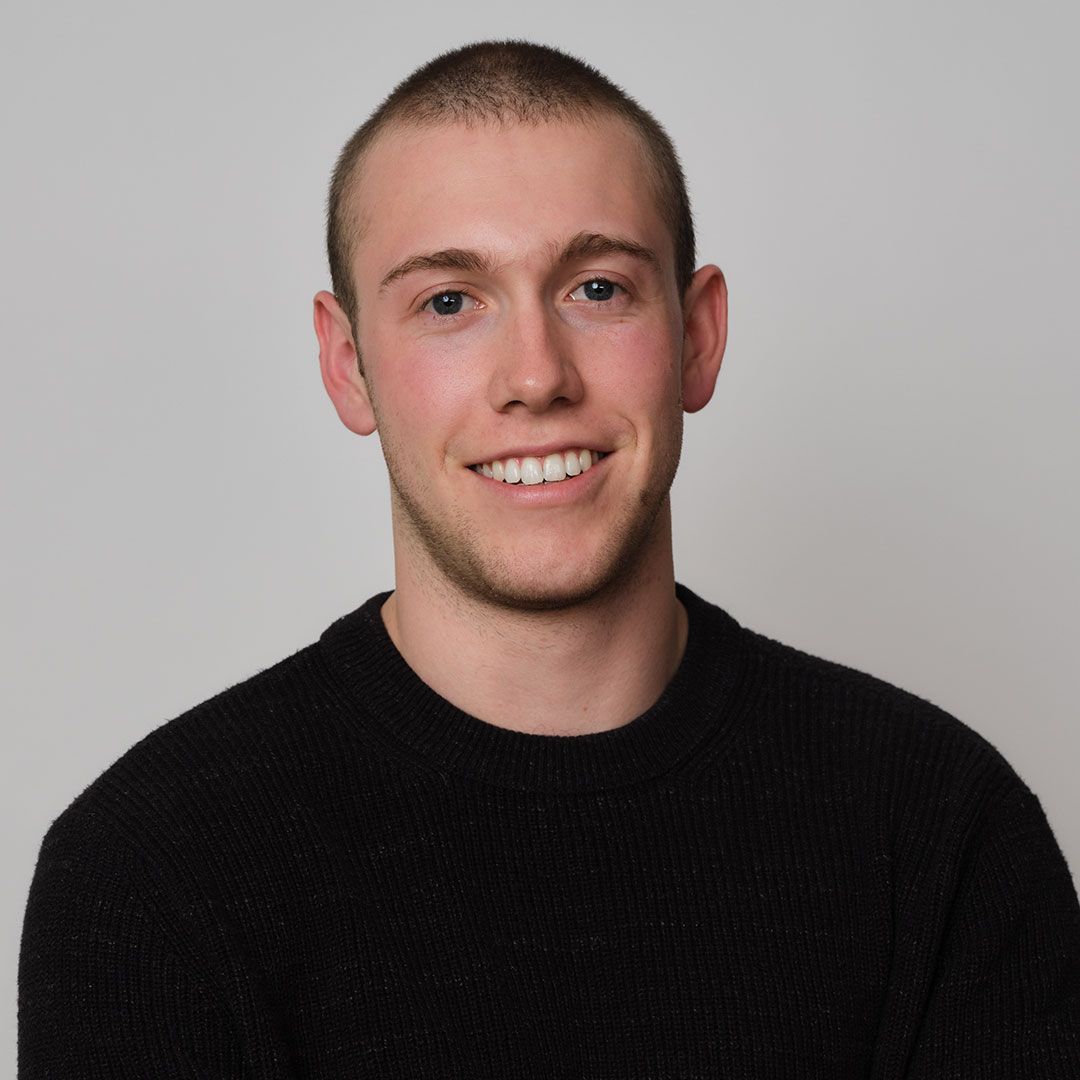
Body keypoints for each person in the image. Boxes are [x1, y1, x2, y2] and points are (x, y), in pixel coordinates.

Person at [18, 39, 1080, 1078]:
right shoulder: (150, 875)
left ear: (698, 335)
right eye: (448, 302)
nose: (536, 377)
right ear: (348, 366)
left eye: (598, 288)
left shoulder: (940, 830)